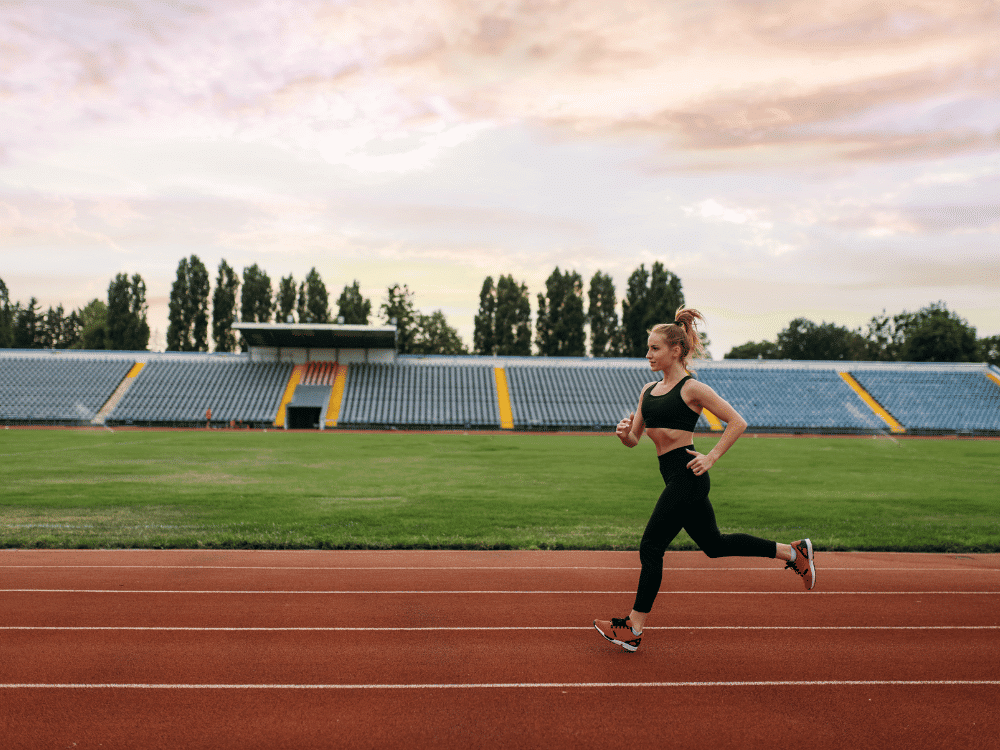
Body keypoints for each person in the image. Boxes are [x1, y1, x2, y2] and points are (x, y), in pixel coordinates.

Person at [594, 307, 815, 653]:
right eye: (648, 348)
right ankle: (793, 552)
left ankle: (634, 627)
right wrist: (623, 434)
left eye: (655, 349)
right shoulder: (647, 391)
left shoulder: (691, 388)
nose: (648, 354)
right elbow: (635, 439)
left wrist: (711, 457)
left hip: (688, 476)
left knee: (651, 546)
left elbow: (737, 422)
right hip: (673, 478)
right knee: (714, 545)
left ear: (675, 351)